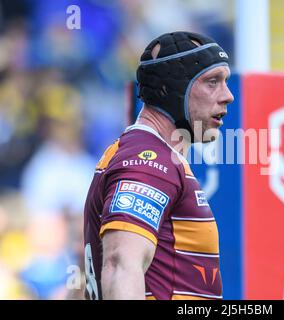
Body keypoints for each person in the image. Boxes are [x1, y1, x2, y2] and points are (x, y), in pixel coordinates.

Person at [83, 31, 234, 300]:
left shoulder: (146, 154)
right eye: (212, 82)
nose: (228, 96)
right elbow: (120, 265)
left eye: (225, 82)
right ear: (170, 89)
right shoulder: (148, 160)